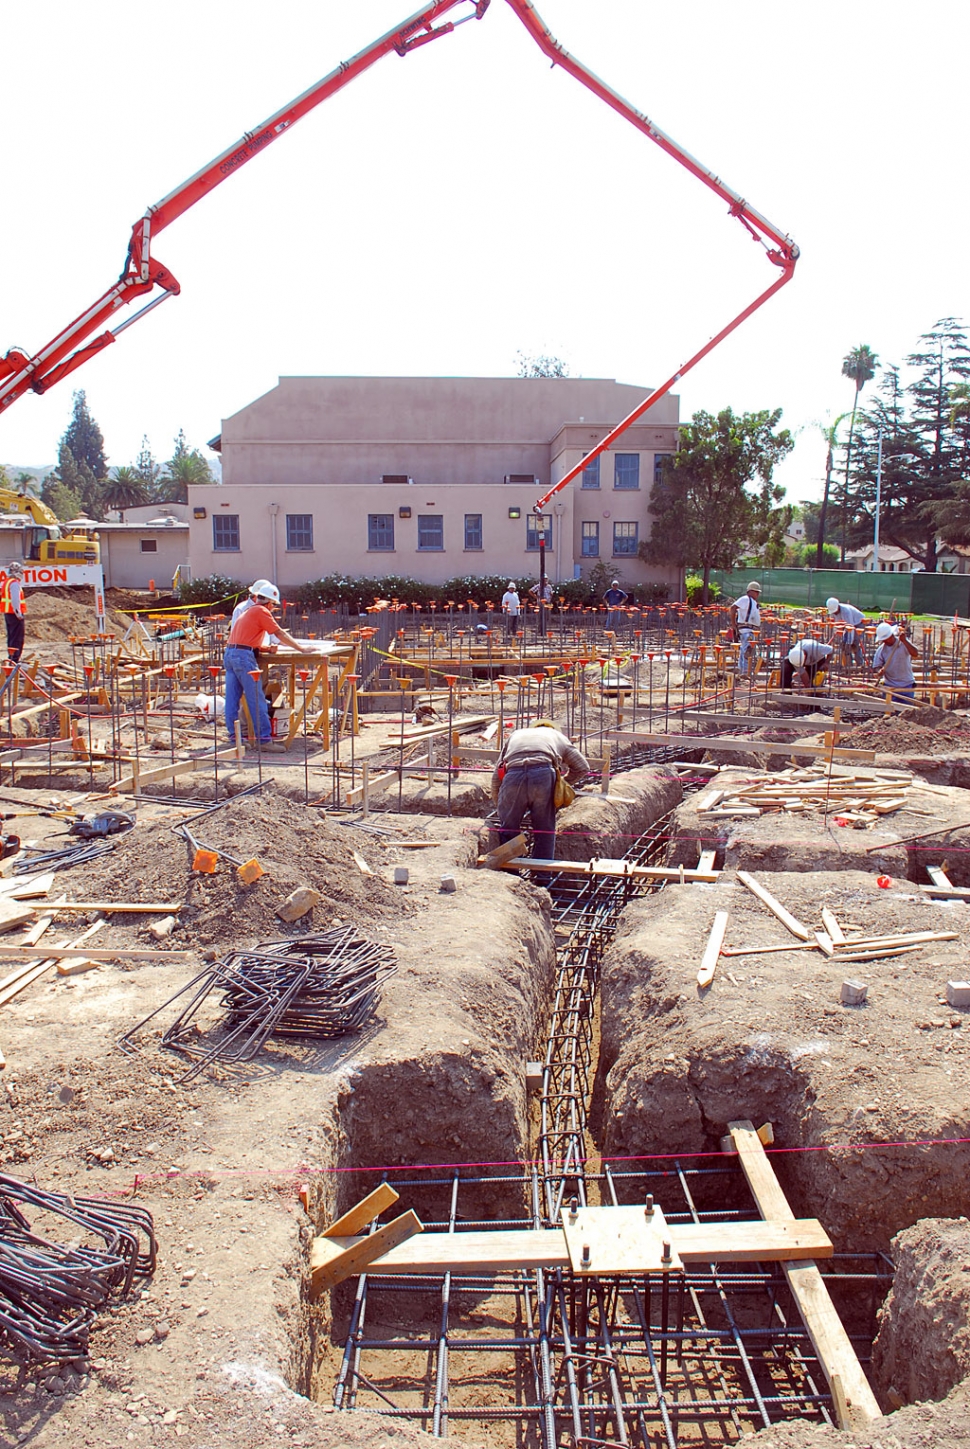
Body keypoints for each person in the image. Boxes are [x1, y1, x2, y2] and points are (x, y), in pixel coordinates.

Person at [224, 581, 305, 753]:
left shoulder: (246, 611)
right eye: (273, 606)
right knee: (256, 698)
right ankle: (264, 739)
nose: (273, 609)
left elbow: (243, 639)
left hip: (231, 654)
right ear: (269, 603)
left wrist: (266, 648)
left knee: (232, 699)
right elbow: (279, 633)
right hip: (243, 657)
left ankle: (235, 738)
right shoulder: (261, 611)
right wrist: (301, 648)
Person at [493, 718, 589, 860]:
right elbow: (582, 767)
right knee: (544, 830)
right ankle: (542, 876)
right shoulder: (558, 737)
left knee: (508, 828)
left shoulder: (516, 734)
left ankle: (511, 873)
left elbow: (497, 775)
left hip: (513, 775)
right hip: (543, 775)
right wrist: (561, 783)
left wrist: (500, 805)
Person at [872, 621, 919, 702]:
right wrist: (879, 671)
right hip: (889, 686)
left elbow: (915, 653)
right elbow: (876, 666)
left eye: (887, 639)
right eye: (884, 640)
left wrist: (905, 641)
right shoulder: (881, 649)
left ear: (892, 635)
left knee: (907, 711)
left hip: (906, 685)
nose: (885, 641)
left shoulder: (903, 643)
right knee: (890, 711)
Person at [729, 580, 762, 677]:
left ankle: (742, 672)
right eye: (757, 592)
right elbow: (733, 608)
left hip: (750, 630)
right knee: (747, 652)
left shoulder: (752, 602)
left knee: (745, 651)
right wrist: (733, 625)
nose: (758, 594)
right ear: (752, 591)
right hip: (746, 630)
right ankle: (745, 673)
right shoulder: (745, 599)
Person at [825, 597, 866, 668]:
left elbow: (851, 627)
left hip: (858, 623)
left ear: (838, 606)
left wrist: (849, 643)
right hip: (847, 624)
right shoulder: (833, 612)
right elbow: (837, 626)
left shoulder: (846, 612)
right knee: (844, 645)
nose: (834, 613)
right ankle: (848, 665)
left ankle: (860, 664)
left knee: (854, 644)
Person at [0, 562, 26, 664]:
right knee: (17, 638)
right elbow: (15, 600)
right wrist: (18, 613)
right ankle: (14, 660)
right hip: (14, 614)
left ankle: (11, 658)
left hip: (8, 613)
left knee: (12, 637)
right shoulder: (14, 583)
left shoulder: (6, 582)